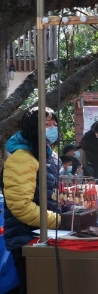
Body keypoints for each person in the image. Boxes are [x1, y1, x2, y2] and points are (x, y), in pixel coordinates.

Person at [1, 107, 60, 294]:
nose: (52, 129)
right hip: (26, 238)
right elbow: (21, 207)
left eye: (54, 124)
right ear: (33, 128)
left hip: (41, 234)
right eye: (47, 125)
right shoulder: (22, 158)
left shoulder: (46, 155)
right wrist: (58, 220)